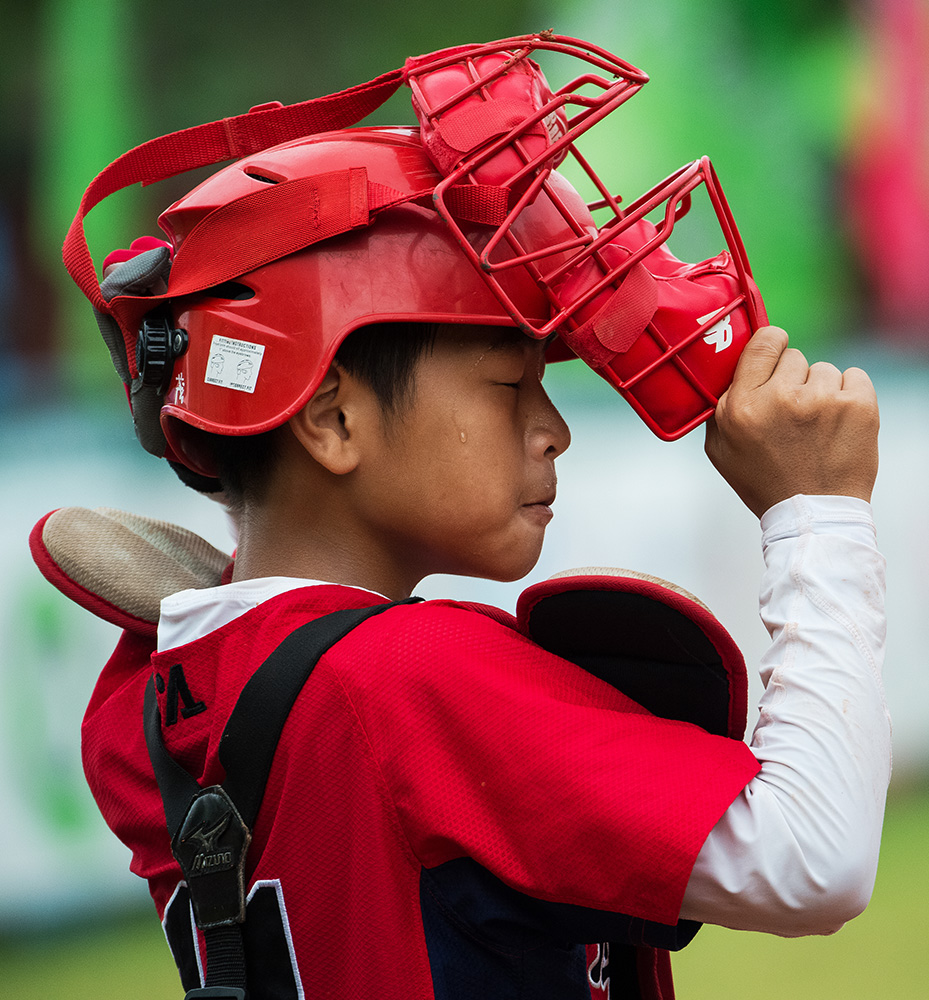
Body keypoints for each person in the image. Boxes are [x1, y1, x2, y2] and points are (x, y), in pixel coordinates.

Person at [35, 35, 889, 1000]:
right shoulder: (408, 683)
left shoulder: (148, 702)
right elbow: (814, 858)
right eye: (505, 384)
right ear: (332, 417)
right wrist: (816, 512)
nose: (553, 430)